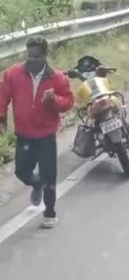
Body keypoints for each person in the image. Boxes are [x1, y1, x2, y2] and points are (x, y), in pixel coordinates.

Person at [0, 36, 74, 228]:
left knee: (50, 175)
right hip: (24, 134)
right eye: (29, 56)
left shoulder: (57, 78)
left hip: (46, 136)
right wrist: (1, 117)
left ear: (44, 56)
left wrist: (55, 101)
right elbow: (3, 95)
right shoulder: (13, 74)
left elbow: (68, 102)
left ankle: (50, 213)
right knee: (21, 171)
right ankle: (36, 184)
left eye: (36, 57)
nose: (31, 61)